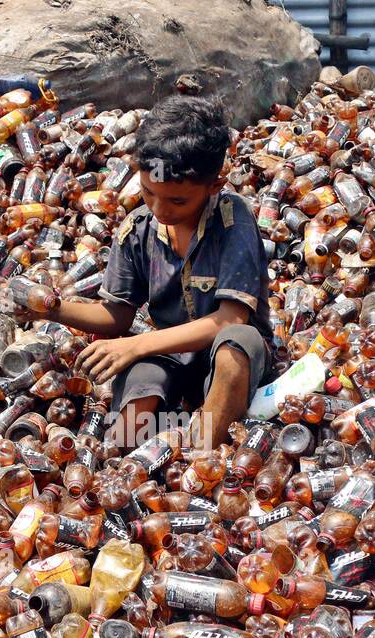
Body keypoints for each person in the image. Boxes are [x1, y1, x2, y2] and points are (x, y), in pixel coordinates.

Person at [43, 95, 274, 451]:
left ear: (214, 186)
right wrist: (53, 308)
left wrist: (136, 345)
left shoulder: (232, 220)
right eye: (149, 193)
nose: (160, 209)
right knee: (142, 379)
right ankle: (129, 464)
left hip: (233, 364)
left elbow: (230, 320)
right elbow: (117, 316)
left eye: (177, 201)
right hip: (171, 356)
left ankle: (202, 462)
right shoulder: (137, 229)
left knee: (236, 344)